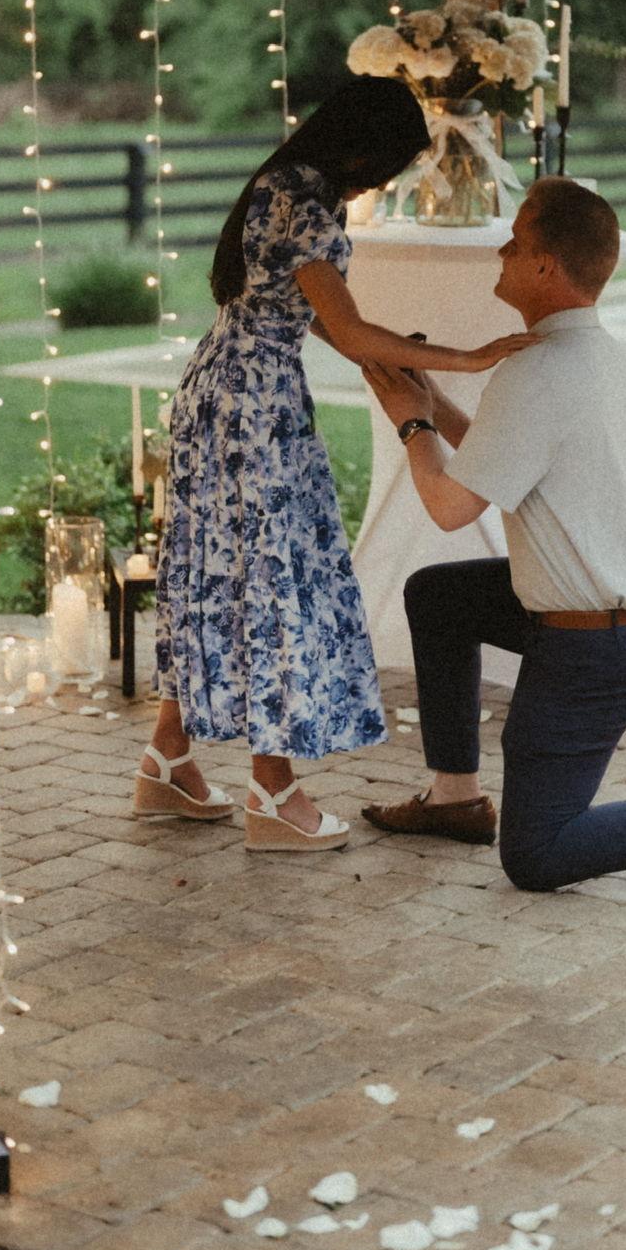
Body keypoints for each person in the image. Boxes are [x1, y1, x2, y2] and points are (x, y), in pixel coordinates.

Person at [360, 176, 626, 903]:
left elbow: (448, 506)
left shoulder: (538, 371)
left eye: (515, 242)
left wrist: (410, 421)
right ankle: (455, 796)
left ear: (544, 266)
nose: (502, 251)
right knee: (439, 596)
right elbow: (501, 457)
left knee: (537, 854)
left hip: (597, 642)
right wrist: (429, 401)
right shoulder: (593, 352)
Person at [139, 76, 540, 852]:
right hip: (258, 408)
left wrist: (384, 354)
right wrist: (466, 356)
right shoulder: (311, 203)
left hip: (215, 388)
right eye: (386, 166)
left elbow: (309, 313)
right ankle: (274, 792)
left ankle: (168, 760)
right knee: (276, 582)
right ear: (361, 149)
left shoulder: (278, 182)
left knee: (216, 569)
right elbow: (348, 330)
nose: (379, 183)